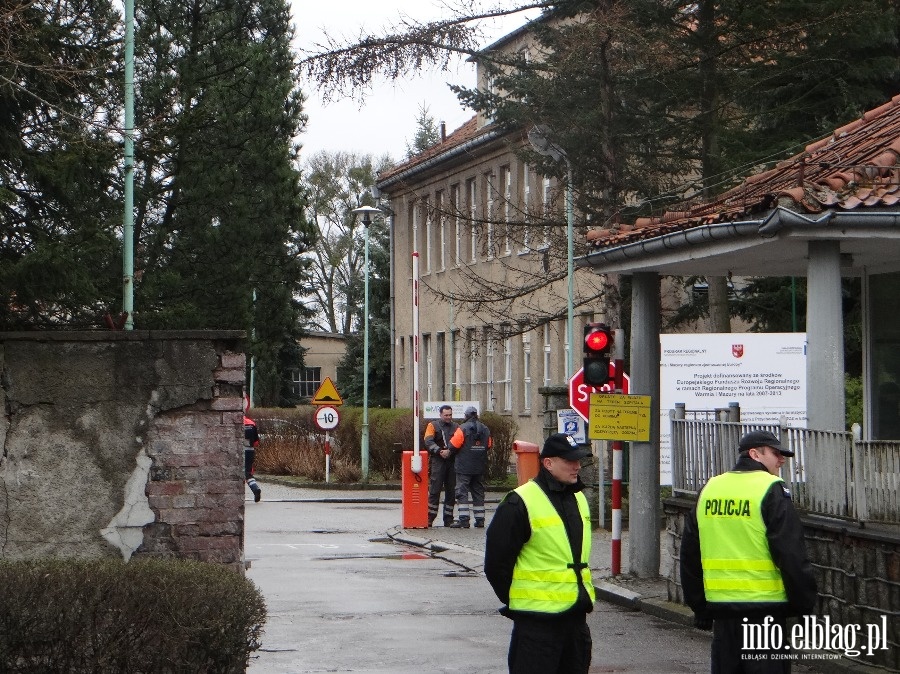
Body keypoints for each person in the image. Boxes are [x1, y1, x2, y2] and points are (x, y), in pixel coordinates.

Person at [680, 429, 818, 673]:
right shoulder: (771, 488)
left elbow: (690, 553)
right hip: (764, 616)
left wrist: (699, 607)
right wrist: (803, 605)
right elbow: (791, 554)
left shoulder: (710, 489)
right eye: (776, 453)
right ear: (754, 454)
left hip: (723, 617)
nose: (782, 459)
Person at [484, 433, 595, 674]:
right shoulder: (520, 501)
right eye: (569, 460)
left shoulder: (579, 498)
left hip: (575, 619)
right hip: (536, 624)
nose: (577, 466)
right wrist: (518, 599)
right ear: (548, 463)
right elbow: (496, 563)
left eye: (578, 460)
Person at [448, 406, 493, 528]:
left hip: (464, 466)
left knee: (461, 492)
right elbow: (488, 445)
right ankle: (480, 520)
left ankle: (464, 520)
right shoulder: (485, 429)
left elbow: (452, 445)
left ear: (466, 416)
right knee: (478, 492)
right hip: (479, 466)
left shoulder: (462, 428)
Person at [423, 404, 460, 527]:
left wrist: (450, 451)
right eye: (446, 415)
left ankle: (448, 518)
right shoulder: (432, 426)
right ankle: (430, 517)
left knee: (451, 491)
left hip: (451, 461)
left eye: (450, 415)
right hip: (438, 461)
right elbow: (428, 441)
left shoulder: (456, 427)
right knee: (435, 490)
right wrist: (439, 451)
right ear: (440, 415)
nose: (448, 417)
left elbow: (460, 442)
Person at [243, 414, 262, 502]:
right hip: (250, 451)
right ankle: (255, 488)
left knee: (237, 473)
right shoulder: (251, 423)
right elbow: (256, 441)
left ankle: (253, 489)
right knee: (248, 472)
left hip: (237, 451)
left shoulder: (233, 422)